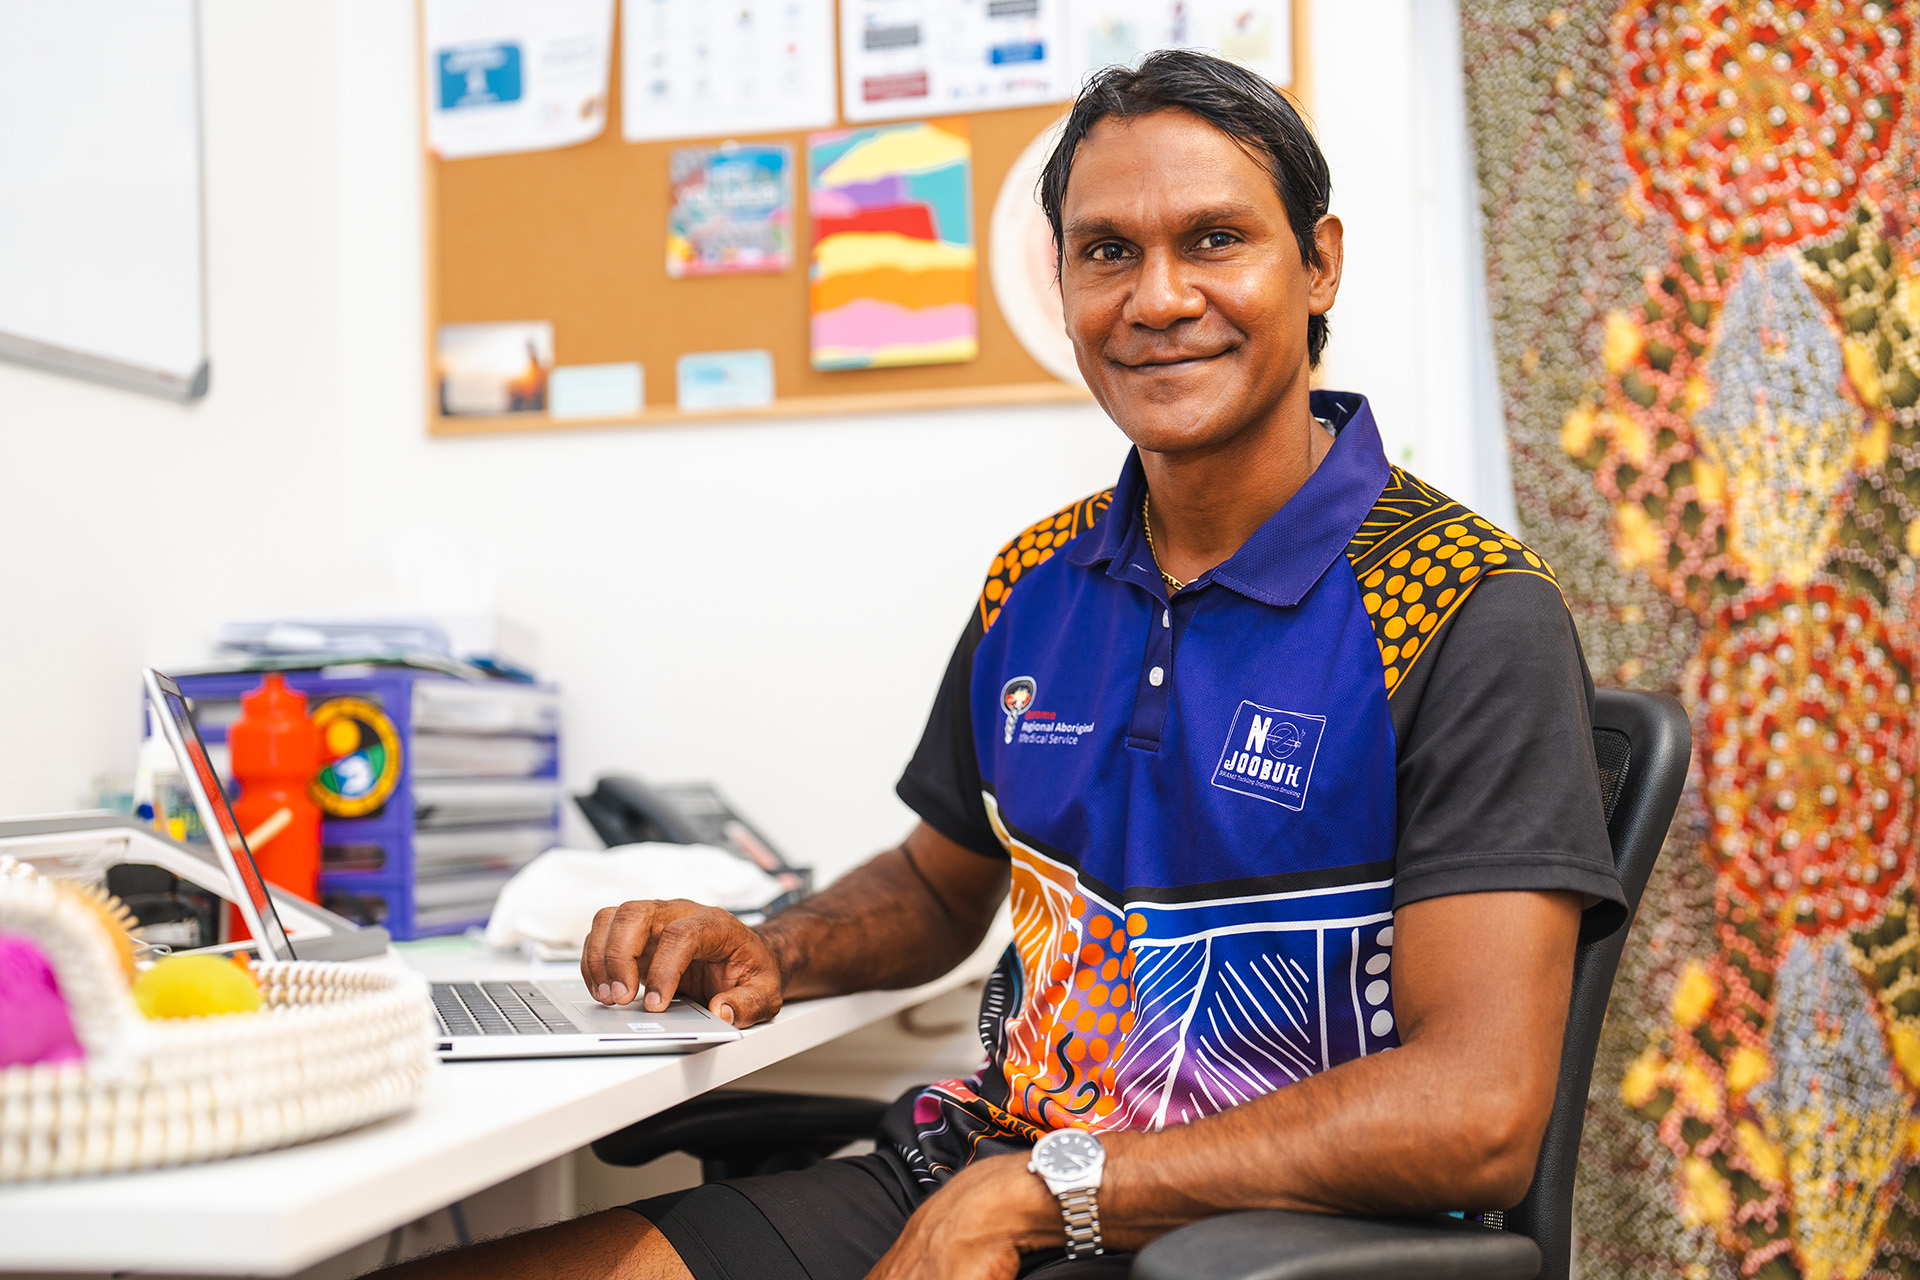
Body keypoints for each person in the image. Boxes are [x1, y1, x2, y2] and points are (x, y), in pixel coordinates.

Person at [390, 48, 1623, 1280]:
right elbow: (938, 891)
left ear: (1320, 263)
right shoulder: (1037, 583)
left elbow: (1476, 1113)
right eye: (1107, 251)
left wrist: (1049, 1194)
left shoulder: (1466, 606)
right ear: (1065, 281)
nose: (1158, 298)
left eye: (1213, 240)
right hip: (983, 1175)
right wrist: (773, 944)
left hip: (1258, 1240)